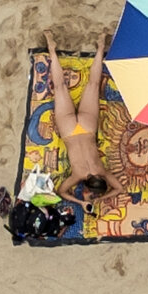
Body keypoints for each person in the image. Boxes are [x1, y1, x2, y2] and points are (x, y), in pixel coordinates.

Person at [45, 32, 113, 204]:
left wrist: (104, 194)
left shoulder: (102, 171)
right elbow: (62, 192)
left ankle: (100, 47)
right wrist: (83, 203)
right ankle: (52, 50)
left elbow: (119, 188)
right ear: (87, 186)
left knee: (93, 85)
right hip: (69, 131)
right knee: (59, 87)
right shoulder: (78, 175)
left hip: (87, 128)